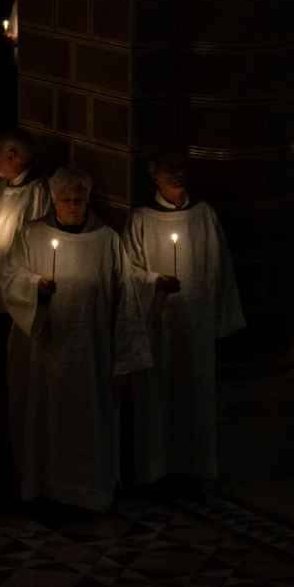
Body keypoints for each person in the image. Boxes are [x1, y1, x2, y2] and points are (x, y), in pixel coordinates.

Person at [1, 165, 153, 512]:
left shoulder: (107, 241)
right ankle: (43, 489)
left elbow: (125, 297)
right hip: (44, 352)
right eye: (66, 199)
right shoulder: (31, 235)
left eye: (79, 200)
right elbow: (9, 277)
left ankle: (88, 491)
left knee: (87, 423)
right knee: (46, 421)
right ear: (53, 200)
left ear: (88, 200)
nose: (72, 205)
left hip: (90, 354)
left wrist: (125, 356)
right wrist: (35, 286)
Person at [122, 151, 245, 497]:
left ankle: (192, 471)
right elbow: (127, 271)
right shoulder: (141, 219)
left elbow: (220, 267)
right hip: (158, 326)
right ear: (155, 176)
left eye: (182, 167)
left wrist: (220, 317)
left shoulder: (204, 215)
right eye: (169, 168)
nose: (178, 173)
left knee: (194, 396)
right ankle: (155, 472)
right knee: (157, 396)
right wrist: (153, 281)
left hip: (195, 326)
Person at [0, 128, 51, 317]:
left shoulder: (39, 192)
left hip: (18, 286)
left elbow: (41, 243)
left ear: (11, 156)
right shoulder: (1, 185)